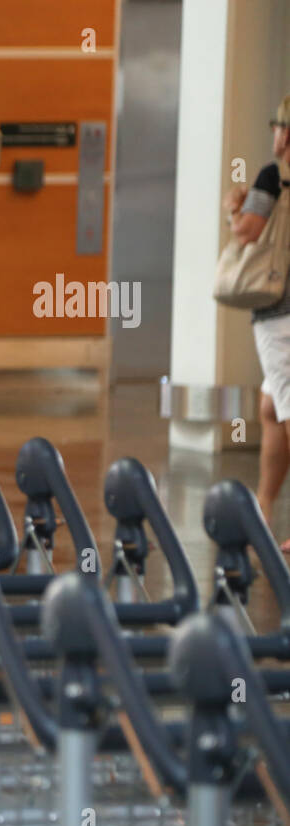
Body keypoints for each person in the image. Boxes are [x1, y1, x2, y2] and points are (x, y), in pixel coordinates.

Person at [225, 94, 290, 549]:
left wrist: (236, 207)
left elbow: (247, 231)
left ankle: (267, 509)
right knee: (269, 408)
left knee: (286, 410)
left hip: (278, 311)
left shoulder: (274, 175)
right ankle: (264, 505)